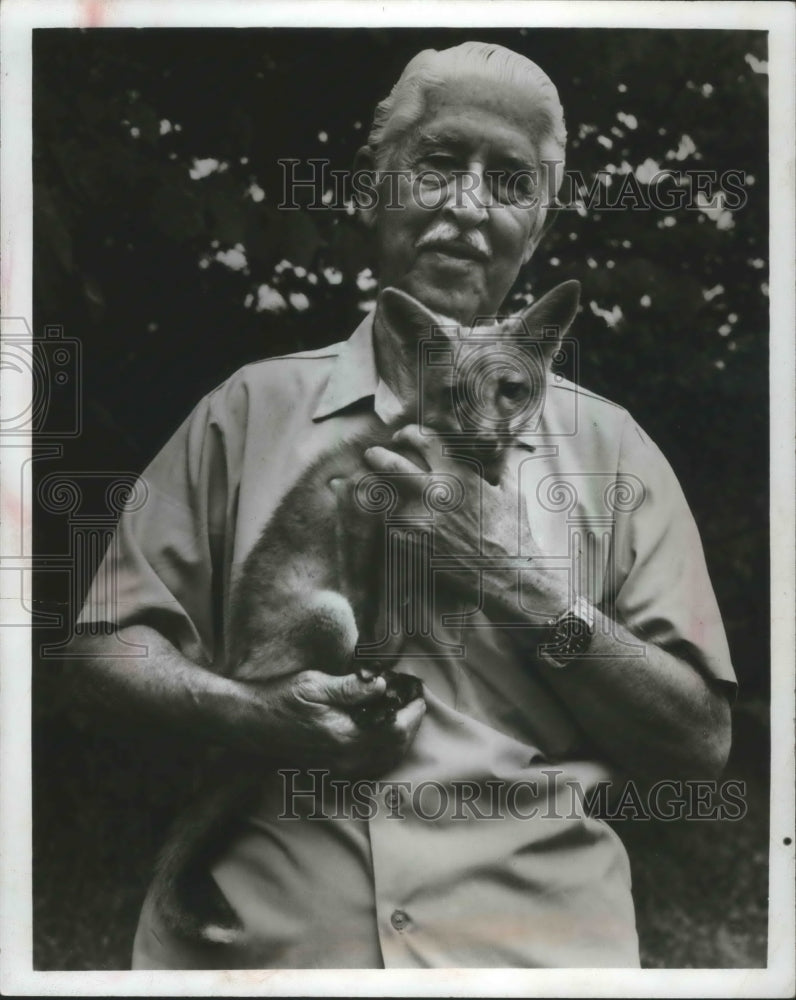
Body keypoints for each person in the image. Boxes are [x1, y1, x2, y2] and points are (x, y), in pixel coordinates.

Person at [71, 41, 735, 969]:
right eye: (438, 164)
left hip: (533, 957)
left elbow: (698, 740)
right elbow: (102, 656)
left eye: (508, 180)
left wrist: (513, 583)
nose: (467, 205)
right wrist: (256, 716)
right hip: (268, 950)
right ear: (372, 187)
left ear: (538, 228)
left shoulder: (613, 451)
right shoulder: (246, 413)